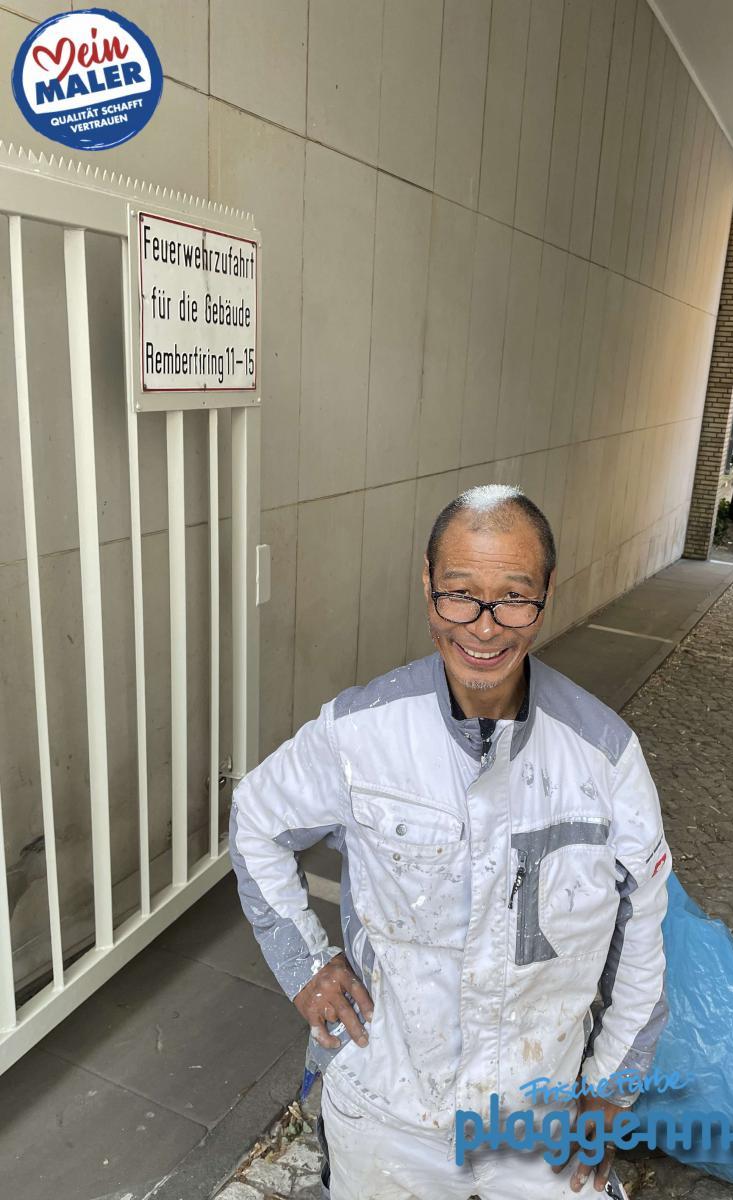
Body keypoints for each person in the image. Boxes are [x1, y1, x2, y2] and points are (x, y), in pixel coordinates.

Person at [230, 484, 671, 1199]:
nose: (484, 628)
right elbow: (255, 818)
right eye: (460, 594)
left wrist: (611, 1087)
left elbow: (641, 936)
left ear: (546, 594)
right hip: (389, 1113)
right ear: (427, 585)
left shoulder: (606, 759)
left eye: (513, 598)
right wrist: (305, 963)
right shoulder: (359, 734)